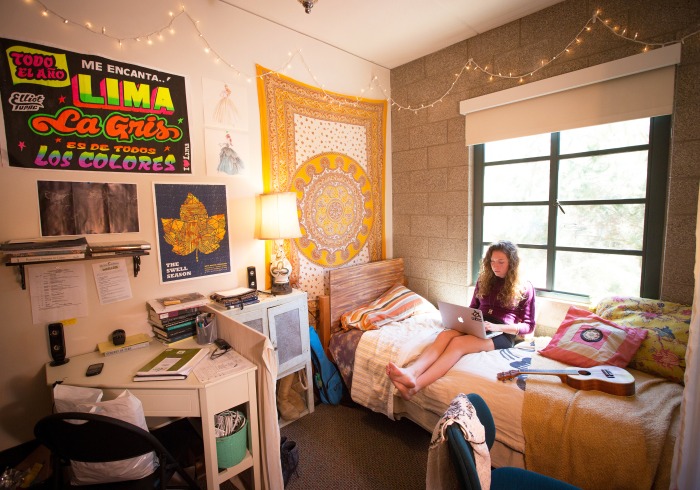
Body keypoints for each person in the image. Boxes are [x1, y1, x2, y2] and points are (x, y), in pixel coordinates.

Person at [386, 240, 535, 400]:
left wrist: (498, 327)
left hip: (502, 335)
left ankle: (415, 387)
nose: (495, 266)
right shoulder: (484, 281)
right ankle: (411, 372)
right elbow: (472, 308)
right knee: (445, 335)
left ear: (512, 263)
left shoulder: (525, 287)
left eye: (501, 262)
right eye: (492, 261)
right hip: (479, 324)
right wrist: (463, 321)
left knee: (458, 344)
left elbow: (529, 327)